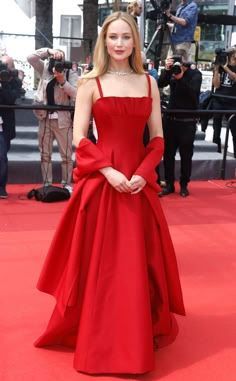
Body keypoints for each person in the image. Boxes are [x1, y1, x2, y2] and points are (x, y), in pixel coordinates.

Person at [34, 12, 185, 374]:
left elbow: (158, 139)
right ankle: (99, 337)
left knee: (137, 262)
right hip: (103, 181)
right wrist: (108, 170)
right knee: (102, 265)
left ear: (135, 42)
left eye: (126, 37)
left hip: (138, 184)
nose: (119, 43)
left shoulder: (148, 83)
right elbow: (79, 137)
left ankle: (135, 337)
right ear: (104, 41)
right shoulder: (90, 82)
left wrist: (143, 173)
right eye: (113, 37)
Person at [27, 48, 78, 192]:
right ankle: (47, 184)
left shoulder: (69, 73)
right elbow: (30, 58)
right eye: (54, 61)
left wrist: (63, 81)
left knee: (67, 155)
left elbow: (77, 94)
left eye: (59, 61)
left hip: (63, 120)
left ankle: (67, 184)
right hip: (44, 118)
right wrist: (49, 51)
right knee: (45, 154)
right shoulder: (44, 69)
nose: (56, 66)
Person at [158, 55, 202, 197]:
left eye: (181, 63)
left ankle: (184, 185)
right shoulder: (172, 71)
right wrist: (166, 70)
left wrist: (181, 78)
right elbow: (160, 83)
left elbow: (192, 93)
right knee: (168, 154)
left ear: (186, 63)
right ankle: (169, 184)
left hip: (187, 122)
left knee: (186, 155)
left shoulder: (195, 74)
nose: (179, 67)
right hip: (171, 120)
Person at [0, 55, 22, 198]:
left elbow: (10, 99)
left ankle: (1, 187)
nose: (5, 69)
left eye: (8, 66)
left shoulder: (15, 82)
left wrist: (5, 83)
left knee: (2, 156)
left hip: (4, 125)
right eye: (3, 66)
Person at [211, 47, 236, 156]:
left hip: (232, 101)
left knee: (234, 130)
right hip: (219, 100)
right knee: (216, 129)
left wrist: (225, 67)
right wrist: (216, 69)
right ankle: (216, 153)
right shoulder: (221, 65)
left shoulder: (227, 66)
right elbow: (216, 85)